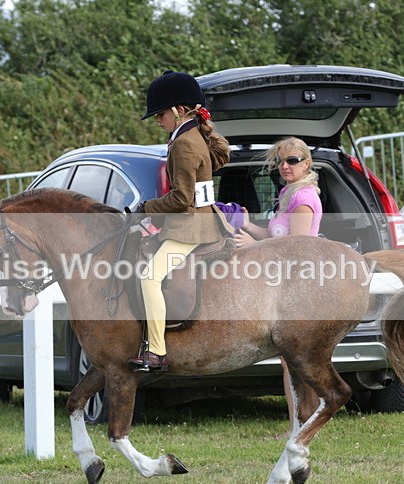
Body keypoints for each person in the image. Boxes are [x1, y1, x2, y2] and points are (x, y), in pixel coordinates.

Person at [127, 70, 233, 373]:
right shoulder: (194, 135)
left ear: (178, 110)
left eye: (160, 114)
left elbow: (181, 199)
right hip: (200, 219)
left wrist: (144, 208)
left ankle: (156, 352)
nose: (158, 121)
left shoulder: (184, 143)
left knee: (149, 277)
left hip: (191, 227)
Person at [233, 136, 323, 438]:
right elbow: (273, 232)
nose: (285, 166)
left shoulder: (305, 198)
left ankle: (302, 426)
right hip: (284, 282)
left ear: (306, 164)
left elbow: (295, 245)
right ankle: (298, 425)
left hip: (299, 285)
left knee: (296, 361)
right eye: (281, 161)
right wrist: (246, 225)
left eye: (293, 160)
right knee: (289, 362)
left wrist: (252, 245)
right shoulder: (288, 193)